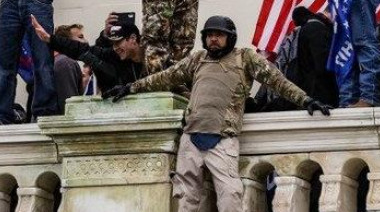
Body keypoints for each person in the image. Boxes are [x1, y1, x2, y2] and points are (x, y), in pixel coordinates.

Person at [103, 16, 332, 212]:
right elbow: (165, 77)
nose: (213, 39)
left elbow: (277, 81)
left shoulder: (245, 57)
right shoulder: (197, 59)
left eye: (219, 34)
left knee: (230, 196)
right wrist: (130, 88)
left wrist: (306, 99)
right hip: (190, 138)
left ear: (229, 37)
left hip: (223, 139)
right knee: (186, 198)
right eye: (210, 34)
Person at [35, 14, 147, 95]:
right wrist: (50, 39)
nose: (115, 47)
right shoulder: (113, 55)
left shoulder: (157, 55)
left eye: (118, 42)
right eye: (112, 43)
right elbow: (81, 49)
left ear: (133, 39)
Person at [51, 24, 85, 114]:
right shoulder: (65, 63)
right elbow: (69, 104)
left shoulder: (56, 61)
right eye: (80, 37)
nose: (85, 41)